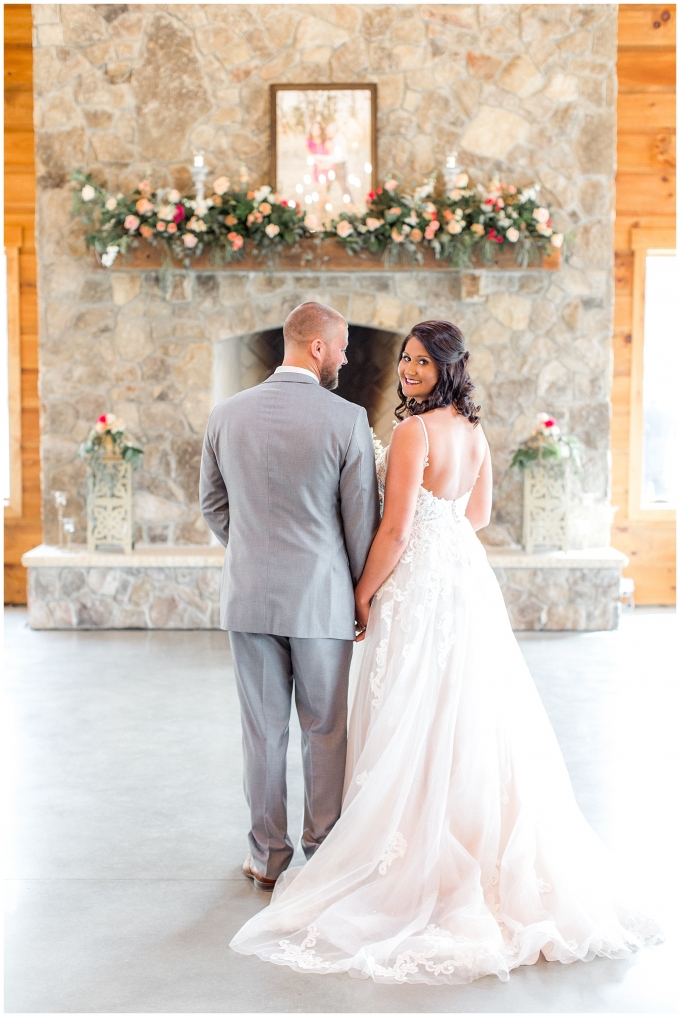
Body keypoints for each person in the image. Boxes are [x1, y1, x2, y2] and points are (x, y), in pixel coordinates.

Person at [230, 320, 662, 984]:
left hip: (417, 589)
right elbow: (477, 515)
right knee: (466, 715)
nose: (407, 369)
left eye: (421, 362)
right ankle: (464, 843)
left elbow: (398, 528)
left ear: (447, 367)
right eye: (404, 358)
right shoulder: (472, 430)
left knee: (412, 711)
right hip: (464, 580)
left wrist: (362, 593)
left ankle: (407, 856)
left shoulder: (413, 432)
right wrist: (444, 530)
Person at [200, 301, 380, 892]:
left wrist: (251, 548)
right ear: (319, 348)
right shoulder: (348, 419)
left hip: (248, 597)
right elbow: (361, 524)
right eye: (344, 346)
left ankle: (266, 856)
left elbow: (213, 506)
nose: (348, 358)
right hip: (321, 601)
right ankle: (323, 854)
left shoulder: (226, 415)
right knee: (324, 729)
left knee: (262, 731)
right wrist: (358, 592)